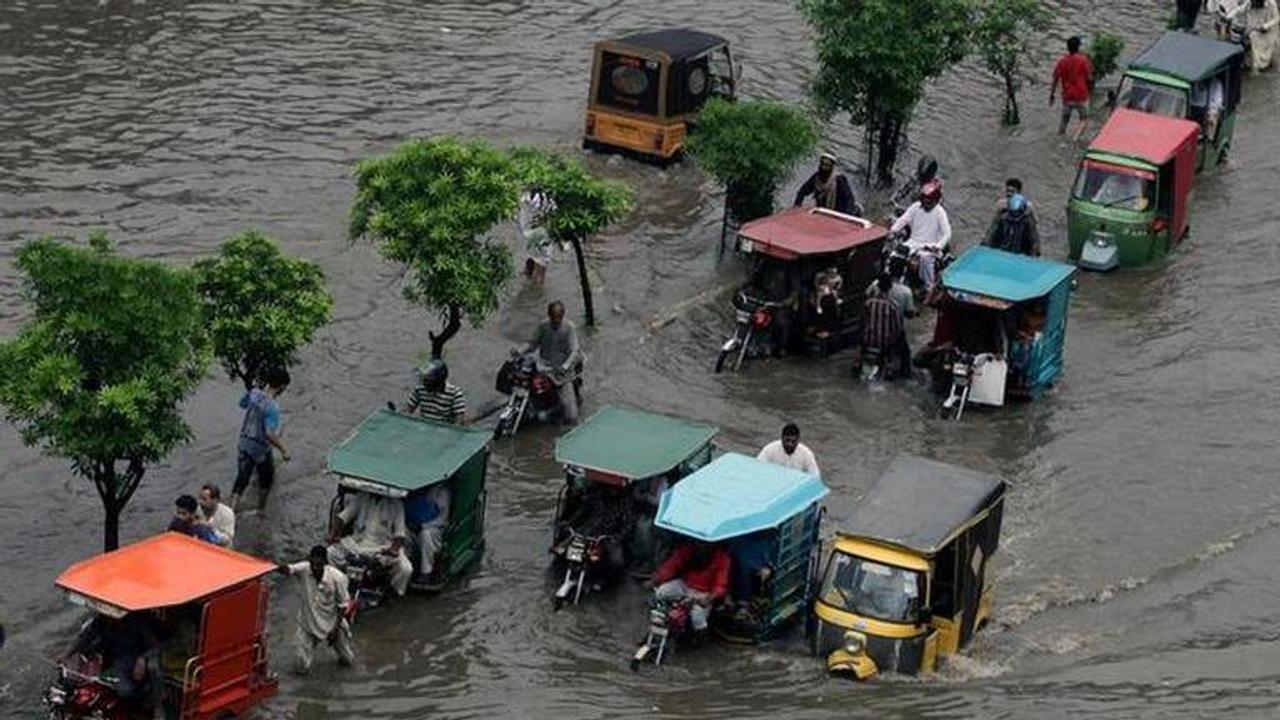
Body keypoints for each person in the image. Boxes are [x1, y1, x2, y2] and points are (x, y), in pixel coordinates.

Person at [278, 545, 354, 675]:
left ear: (325, 563)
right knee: (301, 665)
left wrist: (335, 630)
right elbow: (288, 569)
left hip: (332, 622)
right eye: (313, 564)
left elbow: (342, 606)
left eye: (319, 565)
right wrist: (274, 566)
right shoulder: (304, 569)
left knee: (347, 660)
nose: (315, 568)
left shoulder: (338, 578)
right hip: (308, 623)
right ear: (310, 561)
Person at [328, 491, 413, 597]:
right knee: (331, 552)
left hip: (383, 547)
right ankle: (336, 584)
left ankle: (392, 594)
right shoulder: (362, 497)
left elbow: (399, 534)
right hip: (357, 543)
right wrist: (333, 535)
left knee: (405, 569)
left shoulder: (396, 505)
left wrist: (393, 550)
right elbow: (342, 517)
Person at [230, 366, 291, 511]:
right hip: (260, 449)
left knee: (241, 480)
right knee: (266, 481)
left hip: (244, 442)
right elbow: (269, 433)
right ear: (282, 386)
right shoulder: (273, 407)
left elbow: (242, 404)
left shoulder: (254, 393)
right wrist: (284, 450)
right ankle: (260, 511)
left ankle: (231, 512)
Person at [513, 300, 584, 424]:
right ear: (549, 315)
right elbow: (532, 343)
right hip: (544, 368)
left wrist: (566, 365)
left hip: (562, 373)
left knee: (571, 417)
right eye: (553, 318)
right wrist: (519, 351)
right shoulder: (543, 326)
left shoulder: (569, 328)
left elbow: (575, 351)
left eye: (558, 318)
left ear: (562, 316)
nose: (556, 321)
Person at [650, 540, 731, 634]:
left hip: (703, 592)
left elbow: (720, 585)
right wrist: (656, 580)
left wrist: (709, 598)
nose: (701, 546)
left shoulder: (723, 558)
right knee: (661, 592)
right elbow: (671, 566)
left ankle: (698, 637)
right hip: (684, 584)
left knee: (698, 618)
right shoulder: (688, 549)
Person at [889, 179, 952, 290]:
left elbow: (947, 233)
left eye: (929, 202)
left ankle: (928, 286)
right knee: (895, 255)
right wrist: (893, 230)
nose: (926, 204)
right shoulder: (915, 207)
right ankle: (894, 279)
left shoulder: (940, 212)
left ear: (935, 201)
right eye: (924, 201)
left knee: (925, 260)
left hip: (930, 247)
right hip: (913, 243)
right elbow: (903, 220)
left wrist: (938, 246)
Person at [106, 613, 165, 720]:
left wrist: (142, 658)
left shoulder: (137, 623)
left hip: (138, 657)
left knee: (153, 667)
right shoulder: (103, 622)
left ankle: (158, 708)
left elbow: (155, 646)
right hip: (117, 657)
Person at [403, 484, 451, 588]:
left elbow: (443, 518)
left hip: (432, 528)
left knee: (426, 535)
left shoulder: (441, 492)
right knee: (401, 532)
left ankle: (425, 573)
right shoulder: (409, 488)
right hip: (411, 525)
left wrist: (423, 526)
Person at [863, 275, 910, 377]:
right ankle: (903, 373)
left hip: (869, 341)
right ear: (890, 287)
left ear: (878, 287)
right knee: (905, 354)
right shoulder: (893, 306)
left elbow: (863, 323)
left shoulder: (868, 303)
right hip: (886, 343)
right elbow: (897, 328)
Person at [1050, 36, 1094, 139]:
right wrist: (1090, 91)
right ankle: (1075, 138)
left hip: (1067, 97)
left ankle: (1060, 138)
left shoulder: (1062, 62)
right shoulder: (1084, 61)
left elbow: (1055, 79)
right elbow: (1089, 78)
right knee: (1084, 119)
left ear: (1067, 47)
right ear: (1078, 47)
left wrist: (1051, 95)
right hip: (1081, 96)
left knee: (1064, 121)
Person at [794, 153, 861, 216]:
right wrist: (797, 206)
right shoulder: (816, 178)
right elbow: (803, 191)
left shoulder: (839, 180)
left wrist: (846, 217)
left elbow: (849, 200)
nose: (824, 167)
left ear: (831, 167)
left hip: (839, 213)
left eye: (827, 165)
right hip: (822, 212)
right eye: (822, 164)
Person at [404, 360, 466, 424]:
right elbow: (407, 410)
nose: (425, 384)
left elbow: (459, 421)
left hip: (444, 430)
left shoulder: (455, 393)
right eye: (425, 380)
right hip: (423, 427)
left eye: (429, 381)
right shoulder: (420, 389)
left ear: (439, 381)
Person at [519, 189, 557, 286]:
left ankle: (530, 279)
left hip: (528, 230)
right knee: (540, 266)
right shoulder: (548, 197)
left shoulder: (526, 195)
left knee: (534, 258)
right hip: (540, 232)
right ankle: (536, 291)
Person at [757, 423, 821, 476]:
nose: (790, 444)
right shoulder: (769, 450)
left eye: (793, 441)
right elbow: (758, 467)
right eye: (787, 440)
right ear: (782, 438)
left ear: (798, 440)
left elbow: (815, 476)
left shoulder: (806, 454)